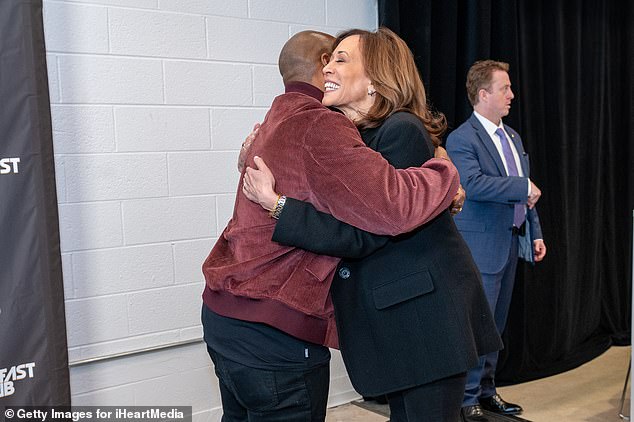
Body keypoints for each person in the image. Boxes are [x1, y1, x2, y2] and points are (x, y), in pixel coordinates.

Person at [241, 27, 502, 422]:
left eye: (341, 59)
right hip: (400, 323)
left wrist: (278, 206)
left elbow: (367, 231)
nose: (327, 66)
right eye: (328, 59)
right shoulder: (353, 138)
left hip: (425, 322)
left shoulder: (400, 130)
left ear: (376, 82)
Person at [445, 60, 547, 421]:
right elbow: (473, 184)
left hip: (510, 243)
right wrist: (522, 187)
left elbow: (527, 192)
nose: (512, 96)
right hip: (480, 248)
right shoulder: (461, 139)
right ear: (483, 94)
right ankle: (467, 398)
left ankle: (487, 391)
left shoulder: (513, 137)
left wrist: (533, 232)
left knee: (497, 325)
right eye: (505, 89)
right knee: (479, 325)